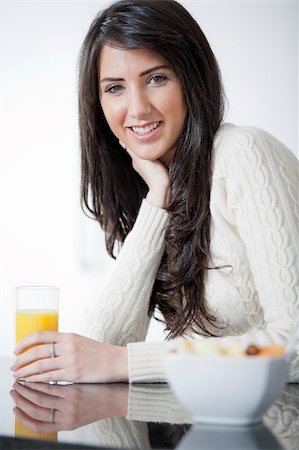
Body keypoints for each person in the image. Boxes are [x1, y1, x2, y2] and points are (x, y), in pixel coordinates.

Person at [10, 0, 298, 384]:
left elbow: (293, 343)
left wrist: (126, 363)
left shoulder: (244, 154)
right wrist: (158, 199)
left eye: (156, 79)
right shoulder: (162, 186)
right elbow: (100, 347)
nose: (138, 108)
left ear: (190, 78)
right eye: (115, 88)